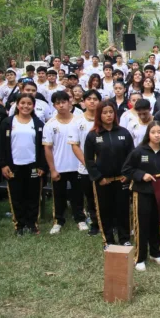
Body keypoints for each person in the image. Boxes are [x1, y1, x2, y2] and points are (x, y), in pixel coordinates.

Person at [122, 121, 160, 271]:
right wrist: (141, 175)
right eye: (153, 132)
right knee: (142, 224)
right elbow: (126, 169)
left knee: (156, 224)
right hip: (142, 193)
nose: (157, 135)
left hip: (159, 195)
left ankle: (155, 253)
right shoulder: (139, 151)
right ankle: (139, 257)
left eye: (159, 132)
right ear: (148, 134)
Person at [84, 99, 134, 247]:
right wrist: (99, 178)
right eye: (105, 112)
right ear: (99, 115)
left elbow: (131, 156)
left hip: (121, 180)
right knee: (105, 211)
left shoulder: (124, 133)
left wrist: (128, 175)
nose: (108, 115)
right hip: (103, 181)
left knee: (123, 210)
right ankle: (109, 240)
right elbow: (88, 160)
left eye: (111, 112)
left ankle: (124, 239)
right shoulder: (93, 135)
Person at [0, 93, 46, 235]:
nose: (26, 106)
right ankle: (19, 225)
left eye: (29, 103)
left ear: (33, 106)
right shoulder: (7, 122)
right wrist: (3, 165)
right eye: (22, 103)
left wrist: (42, 166)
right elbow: (0, 145)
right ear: (17, 105)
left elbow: (43, 147)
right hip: (13, 166)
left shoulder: (38, 124)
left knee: (33, 196)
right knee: (16, 196)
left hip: (33, 166)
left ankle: (32, 224)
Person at [43, 90, 87, 233]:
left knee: (78, 194)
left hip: (78, 165)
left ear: (70, 103)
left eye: (64, 102)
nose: (61, 105)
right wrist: (52, 169)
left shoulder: (79, 120)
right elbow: (48, 148)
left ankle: (80, 219)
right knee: (58, 195)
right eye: (58, 103)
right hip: (59, 166)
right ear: (54, 105)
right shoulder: (50, 124)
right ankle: (58, 221)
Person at [69, 90, 101, 236]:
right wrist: (88, 164)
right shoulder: (77, 120)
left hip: (104, 166)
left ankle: (109, 222)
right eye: (89, 99)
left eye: (95, 99)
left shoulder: (105, 118)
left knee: (105, 196)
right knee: (90, 197)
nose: (92, 101)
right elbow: (75, 145)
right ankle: (95, 223)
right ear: (84, 101)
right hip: (85, 168)